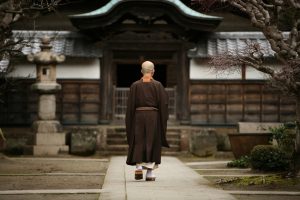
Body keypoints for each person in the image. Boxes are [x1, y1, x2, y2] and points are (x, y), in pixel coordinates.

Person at [125, 60, 169, 181]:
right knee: (152, 141)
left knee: (138, 140)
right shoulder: (158, 85)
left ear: (141, 71)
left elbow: (130, 106)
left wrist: (130, 121)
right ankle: (150, 173)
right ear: (153, 71)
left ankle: (138, 167)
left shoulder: (135, 85)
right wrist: (162, 120)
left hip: (138, 116)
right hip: (153, 117)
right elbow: (163, 105)